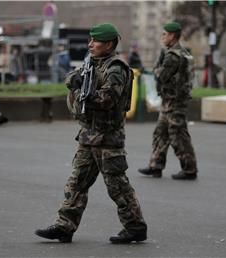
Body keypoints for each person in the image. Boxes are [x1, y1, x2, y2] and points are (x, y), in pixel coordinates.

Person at [35, 23, 147, 244]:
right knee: (76, 183)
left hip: (108, 138)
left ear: (108, 44)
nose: (90, 44)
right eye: (90, 40)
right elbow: (71, 76)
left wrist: (81, 92)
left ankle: (135, 227)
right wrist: (74, 82)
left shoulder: (116, 68)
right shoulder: (91, 63)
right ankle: (64, 226)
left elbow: (106, 100)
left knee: (117, 187)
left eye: (95, 41)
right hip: (88, 136)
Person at [138, 22, 198, 180]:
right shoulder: (183, 52)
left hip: (174, 102)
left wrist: (155, 67)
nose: (162, 37)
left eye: (164, 34)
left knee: (178, 135)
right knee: (160, 134)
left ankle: (189, 169)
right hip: (172, 100)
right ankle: (155, 166)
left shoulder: (172, 55)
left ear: (172, 36)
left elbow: (161, 75)